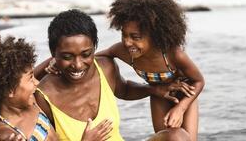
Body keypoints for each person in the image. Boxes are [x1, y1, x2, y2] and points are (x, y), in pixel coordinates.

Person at [35, 9, 193, 141]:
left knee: (177, 137)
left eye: (86, 54)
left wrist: (154, 90)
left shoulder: (105, 67)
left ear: (94, 47)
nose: (77, 65)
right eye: (67, 57)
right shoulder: (43, 97)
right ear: (53, 54)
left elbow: (123, 89)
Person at [96, 0, 205, 141]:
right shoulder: (123, 51)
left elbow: (199, 81)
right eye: (124, 35)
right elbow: (92, 57)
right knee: (166, 139)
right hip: (159, 94)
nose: (127, 42)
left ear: (154, 36)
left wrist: (181, 108)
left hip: (184, 95)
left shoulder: (172, 54)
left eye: (135, 37)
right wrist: (54, 62)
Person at [0, 35, 58, 141]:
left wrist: (55, 60)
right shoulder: (4, 132)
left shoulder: (27, 98)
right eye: (31, 78)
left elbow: (37, 71)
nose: (37, 82)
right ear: (10, 89)